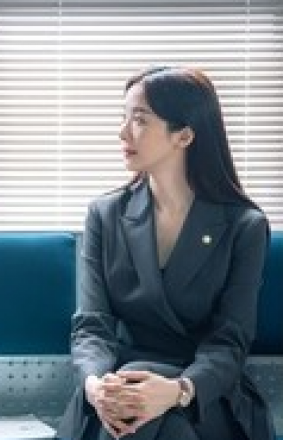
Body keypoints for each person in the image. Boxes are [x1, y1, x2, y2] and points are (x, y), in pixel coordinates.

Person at [58, 66, 274, 440]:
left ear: (184, 135)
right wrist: (96, 387)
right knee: (143, 413)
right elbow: (92, 326)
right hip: (114, 388)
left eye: (139, 120)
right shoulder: (105, 215)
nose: (123, 132)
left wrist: (177, 390)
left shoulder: (244, 226)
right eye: (124, 117)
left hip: (204, 393)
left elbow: (229, 340)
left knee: (147, 416)